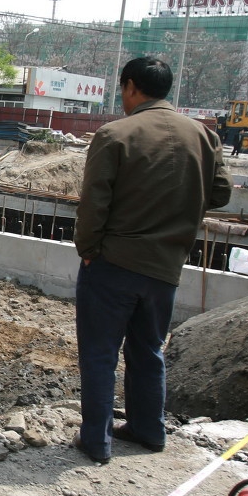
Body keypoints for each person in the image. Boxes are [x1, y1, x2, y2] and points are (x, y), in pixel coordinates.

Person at [72, 57, 232, 464]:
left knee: (100, 353)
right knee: (148, 350)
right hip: (166, 267)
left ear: (130, 87)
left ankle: (96, 441)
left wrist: (88, 251)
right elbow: (221, 194)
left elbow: (94, 204)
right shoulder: (203, 136)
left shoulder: (114, 134)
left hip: (113, 264)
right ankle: (148, 430)